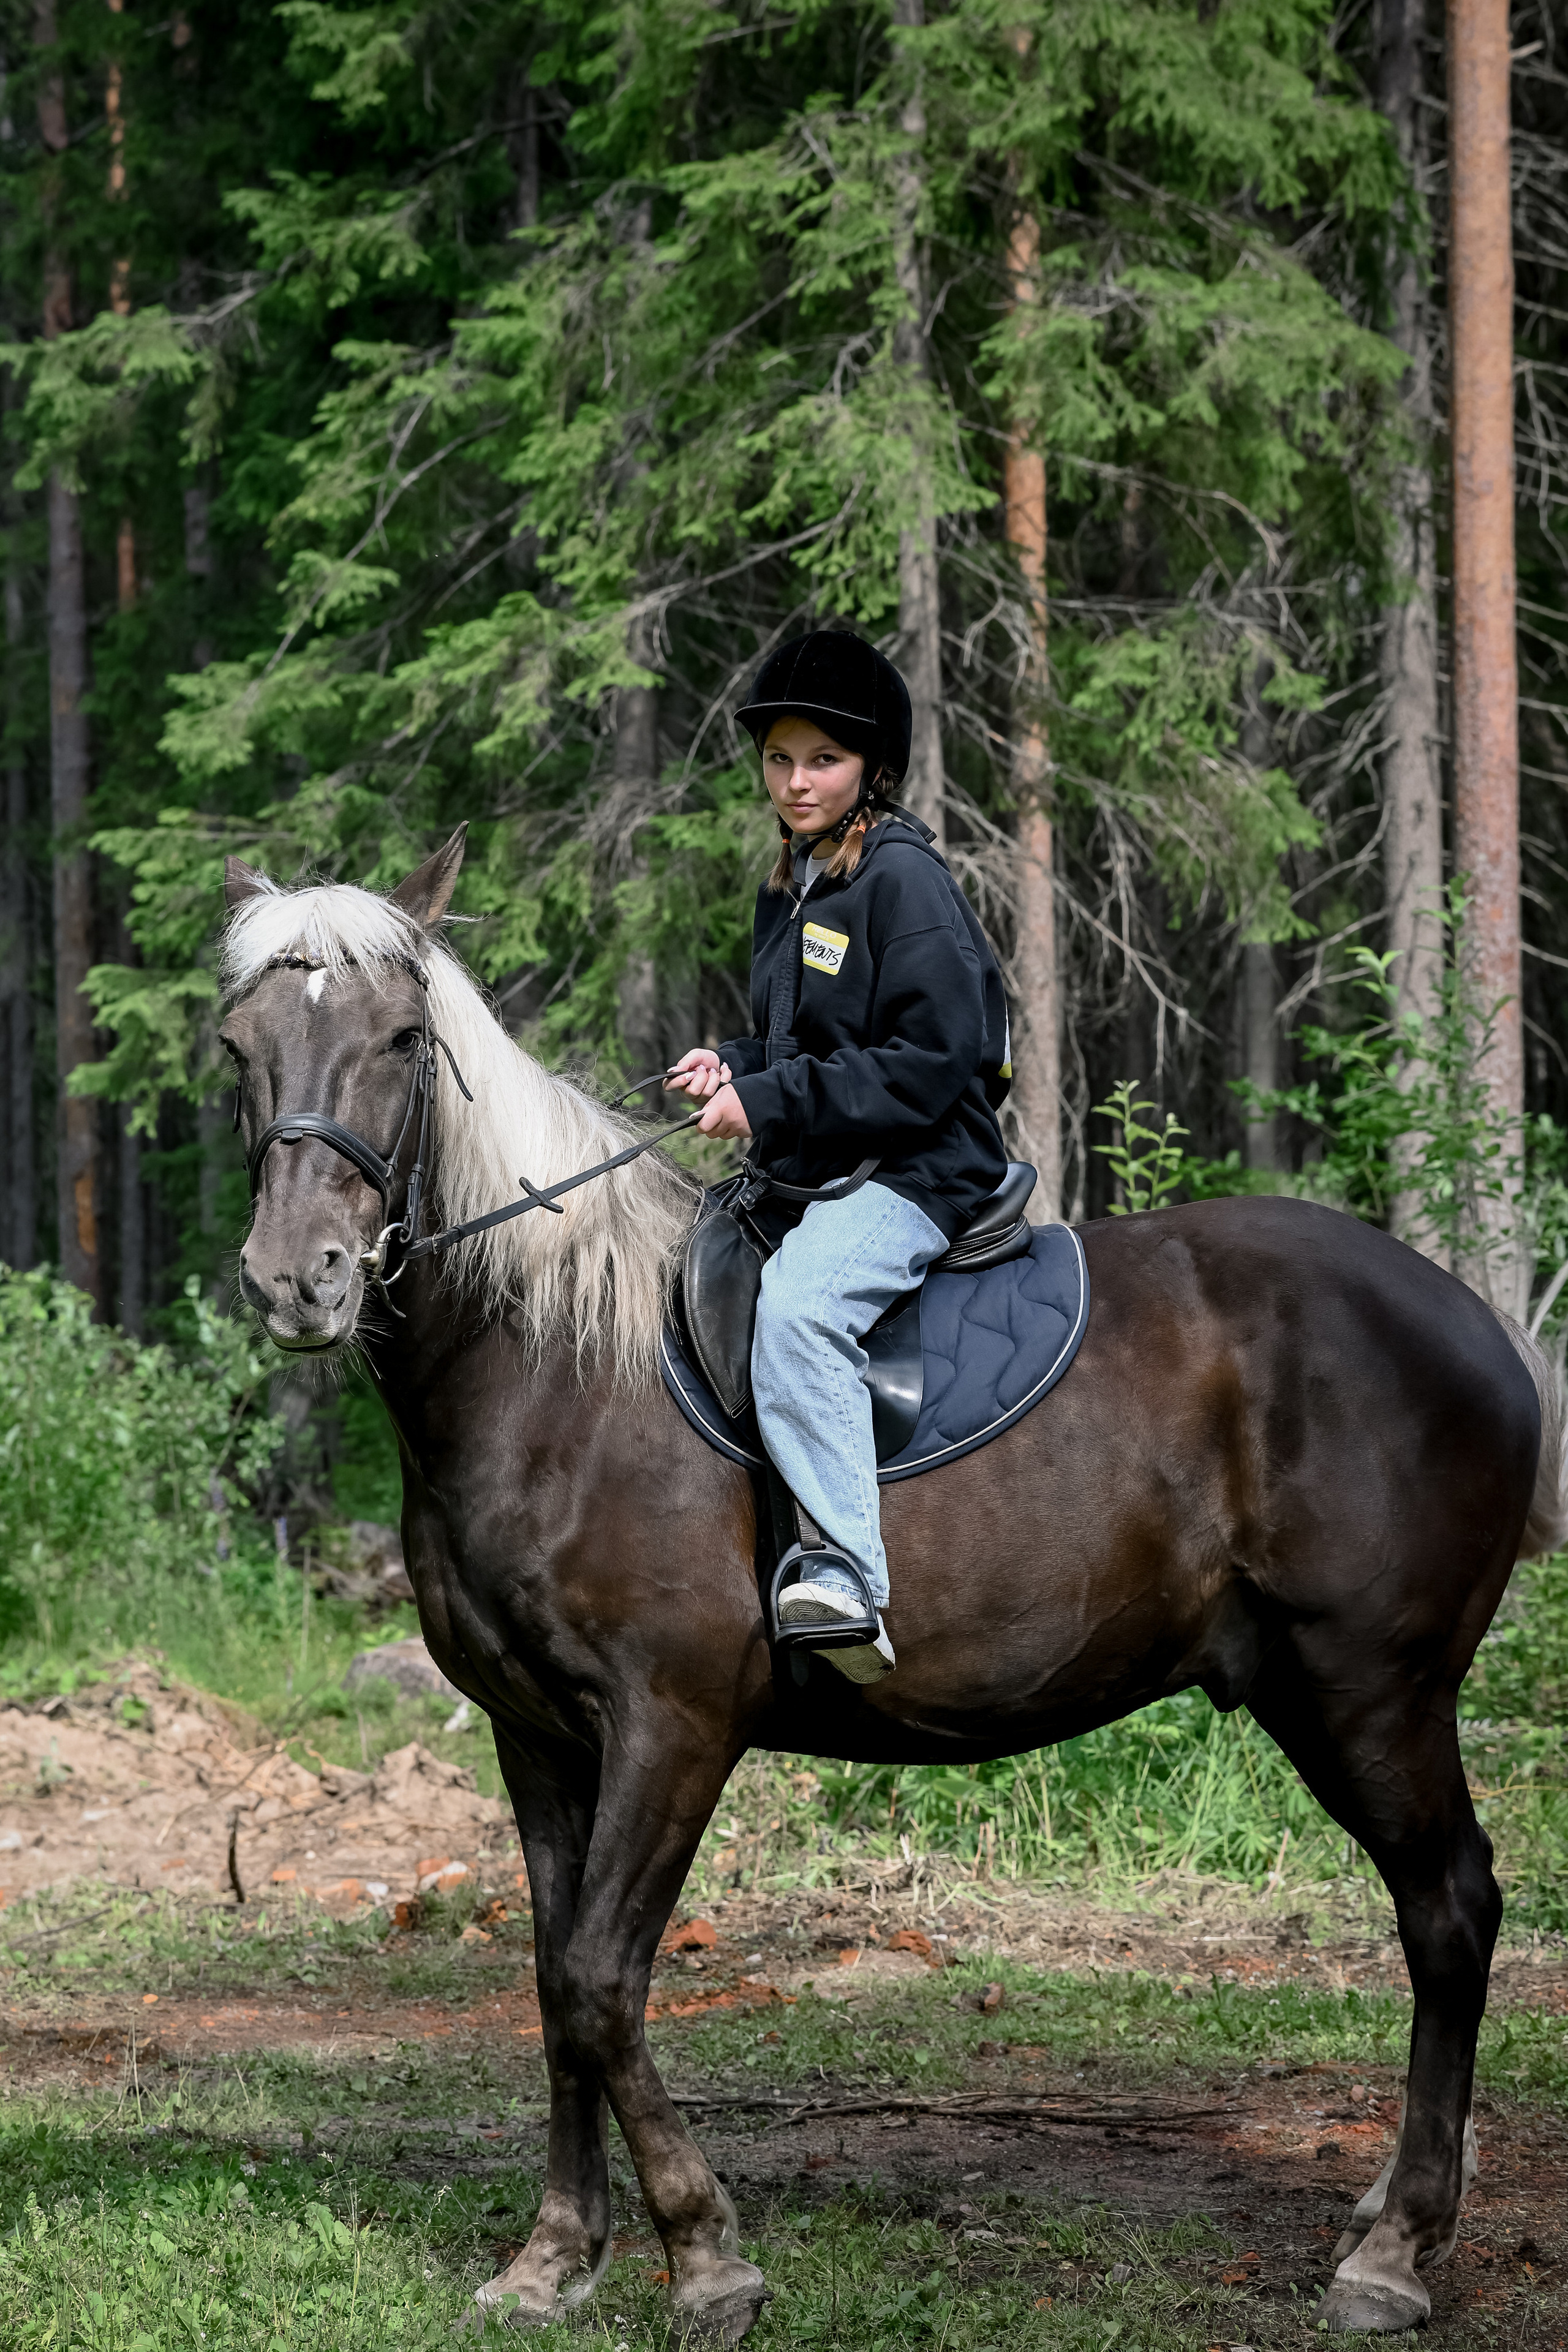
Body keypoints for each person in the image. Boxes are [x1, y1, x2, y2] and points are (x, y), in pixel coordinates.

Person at [668, 630, 1009, 1683]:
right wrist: (728, 1064)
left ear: (870, 767)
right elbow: (799, 1041)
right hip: (825, 1159)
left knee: (804, 1307)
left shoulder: (903, 880)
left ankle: (851, 1575)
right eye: (779, 758)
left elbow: (931, 1062)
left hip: (919, 1167)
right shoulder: (795, 880)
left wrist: (766, 1100)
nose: (797, 780)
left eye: (821, 759)